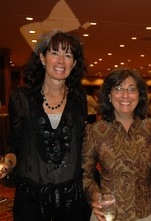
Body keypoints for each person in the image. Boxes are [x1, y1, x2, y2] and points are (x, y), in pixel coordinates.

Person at [0, 30, 90, 220]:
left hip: (72, 198)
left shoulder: (78, 98)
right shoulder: (21, 98)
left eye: (68, 55)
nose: (60, 61)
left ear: (74, 64)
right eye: (54, 53)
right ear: (42, 58)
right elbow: (14, 146)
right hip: (31, 199)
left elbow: (82, 144)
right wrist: (7, 163)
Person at [82, 68, 151, 221]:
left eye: (132, 89)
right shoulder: (95, 131)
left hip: (146, 213)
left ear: (139, 95)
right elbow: (85, 174)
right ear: (108, 95)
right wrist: (96, 196)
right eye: (118, 89)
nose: (125, 95)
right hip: (107, 214)